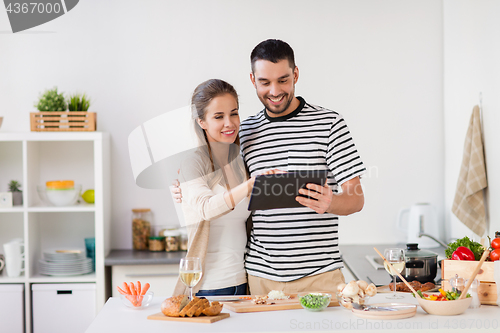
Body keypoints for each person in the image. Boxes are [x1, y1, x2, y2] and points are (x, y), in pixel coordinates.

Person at [173, 39, 366, 295]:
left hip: (320, 276)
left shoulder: (329, 124)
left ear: (295, 74)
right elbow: (221, 180)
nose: (274, 91)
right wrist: (181, 189)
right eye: (265, 82)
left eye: (283, 80)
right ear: (253, 80)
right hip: (259, 278)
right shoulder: (245, 131)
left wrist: (331, 202)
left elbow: (357, 199)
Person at [172, 79, 256, 297]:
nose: (229, 123)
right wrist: (249, 186)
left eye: (234, 113)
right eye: (218, 117)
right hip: (208, 286)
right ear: (202, 122)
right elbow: (206, 208)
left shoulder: (239, 162)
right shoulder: (194, 162)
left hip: (244, 283)